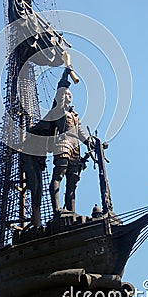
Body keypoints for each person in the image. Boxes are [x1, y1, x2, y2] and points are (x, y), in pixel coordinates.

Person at [47, 68, 90, 214]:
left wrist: (92, 143)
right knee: (59, 174)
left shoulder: (74, 115)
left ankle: (71, 212)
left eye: (69, 94)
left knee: (72, 181)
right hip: (63, 143)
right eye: (66, 93)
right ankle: (57, 209)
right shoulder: (59, 111)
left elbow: (80, 132)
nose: (68, 95)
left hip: (75, 147)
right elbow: (59, 93)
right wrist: (66, 75)